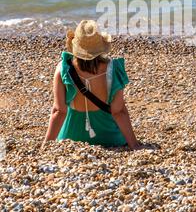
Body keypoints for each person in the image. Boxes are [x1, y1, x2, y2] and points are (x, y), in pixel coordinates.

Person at [42, 20, 141, 150]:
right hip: (109, 137)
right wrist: (134, 145)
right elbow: (119, 111)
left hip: (71, 137)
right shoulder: (113, 68)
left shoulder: (63, 68)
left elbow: (59, 111)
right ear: (100, 47)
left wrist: (45, 146)